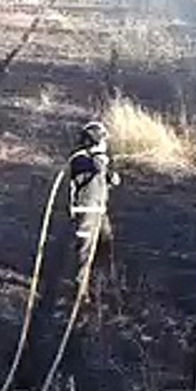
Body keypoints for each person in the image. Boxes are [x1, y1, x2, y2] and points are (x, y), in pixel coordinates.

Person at [67, 120, 120, 289]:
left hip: (100, 210)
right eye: (103, 140)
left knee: (106, 244)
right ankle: (80, 288)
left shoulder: (96, 159)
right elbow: (95, 168)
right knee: (85, 249)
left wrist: (111, 177)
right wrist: (100, 158)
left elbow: (104, 180)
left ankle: (102, 281)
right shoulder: (79, 159)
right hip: (86, 211)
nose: (105, 143)